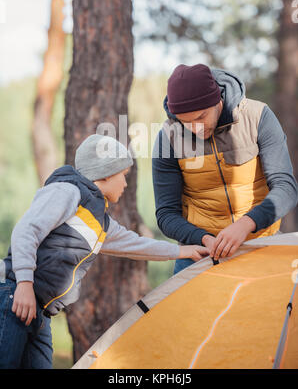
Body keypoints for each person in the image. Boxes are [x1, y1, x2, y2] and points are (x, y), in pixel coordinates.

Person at [0, 134, 209, 369]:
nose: (126, 184)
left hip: (42, 312)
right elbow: (26, 231)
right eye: (124, 176)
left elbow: (137, 245)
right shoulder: (67, 191)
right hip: (15, 294)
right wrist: (25, 284)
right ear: (107, 172)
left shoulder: (100, 221)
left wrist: (186, 251)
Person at [152, 63, 298, 274]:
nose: (196, 128)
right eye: (186, 122)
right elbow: (166, 214)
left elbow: (286, 188)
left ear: (217, 101)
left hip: (262, 244)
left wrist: (247, 224)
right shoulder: (168, 137)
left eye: (201, 117)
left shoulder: (258, 117)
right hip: (201, 253)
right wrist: (204, 239)